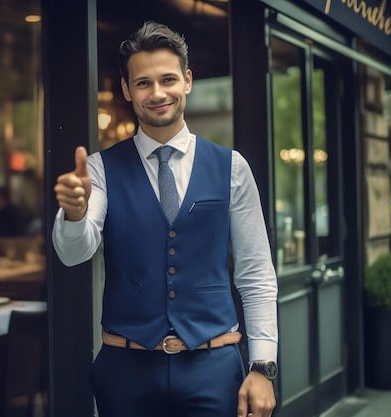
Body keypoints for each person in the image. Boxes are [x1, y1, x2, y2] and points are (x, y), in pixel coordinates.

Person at [52, 21, 278, 417]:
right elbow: (76, 253)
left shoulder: (232, 168)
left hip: (214, 367)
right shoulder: (100, 169)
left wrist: (262, 366)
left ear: (187, 81)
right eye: (142, 83)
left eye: (168, 79)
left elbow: (255, 272)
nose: (157, 93)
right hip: (126, 372)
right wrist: (75, 214)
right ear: (126, 90)